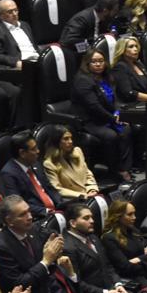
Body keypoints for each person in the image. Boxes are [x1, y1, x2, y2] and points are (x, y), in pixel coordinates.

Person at [70, 49, 133, 181]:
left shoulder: (106, 76)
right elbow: (94, 107)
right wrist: (114, 119)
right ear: (87, 64)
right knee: (111, 135)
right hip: (90, 120)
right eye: (94, 62)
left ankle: (124, 168)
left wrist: (118, 115)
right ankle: (113, 170)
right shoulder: (83, 80)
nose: (98, 64)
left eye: (101, 61)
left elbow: (114, 99)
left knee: (126, 129)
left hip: (107, 116)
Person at [39, 125, 97, 199]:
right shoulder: (49, 163)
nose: (70, 141)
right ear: (56, 141)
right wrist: (81, 195)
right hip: (73, 199)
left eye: (71, 138)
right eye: (66, 139)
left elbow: (87, 173)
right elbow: (58, 189)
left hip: (89, 194)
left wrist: (92, 189)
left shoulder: (77, 151)